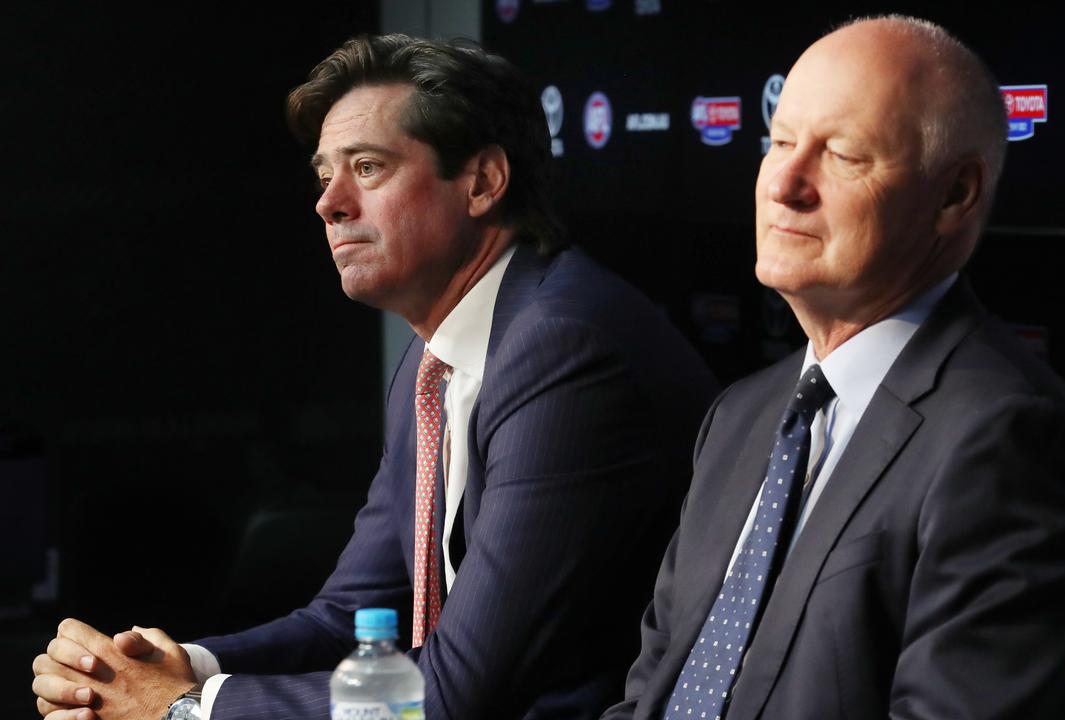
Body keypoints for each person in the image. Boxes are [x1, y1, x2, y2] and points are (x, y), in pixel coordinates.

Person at [32, 34, 718, 720]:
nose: (328, 203)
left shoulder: (564, 351)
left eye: (367, 167)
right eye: (323, 173)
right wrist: (173, 670)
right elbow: (350, 622)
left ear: (482, 182)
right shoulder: (433, 362)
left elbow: (454, 694)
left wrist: (183, 709)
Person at [602, 15, 1065, 720]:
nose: (783, 182)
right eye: (779, 142)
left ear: (954, 196)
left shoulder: (1006, 440)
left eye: (842, 155)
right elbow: (650, 695)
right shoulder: (741, 417)